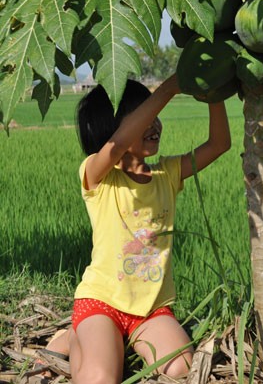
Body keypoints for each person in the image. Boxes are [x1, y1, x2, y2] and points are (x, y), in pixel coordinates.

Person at [42, 75, 231, 384]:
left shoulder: (167, 174)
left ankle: (110, 339)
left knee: (181, 368)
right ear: (115, 130)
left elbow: (220, 144)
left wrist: (215, 90)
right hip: (101, 302)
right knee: (99, 378)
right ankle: (75, 335)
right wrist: (168, 88)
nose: (154, 123)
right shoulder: (97, 176)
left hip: (152, 309)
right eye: (143, 117)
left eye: (156, 115)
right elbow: (116, 147)